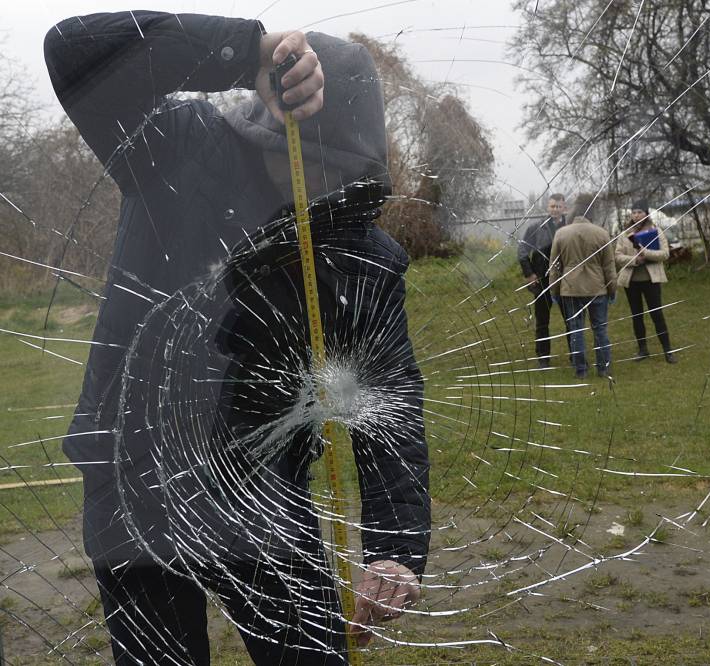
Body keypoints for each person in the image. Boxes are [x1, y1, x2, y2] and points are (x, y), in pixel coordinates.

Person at [45, 11, 429, 665]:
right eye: (302, 167)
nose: (312, 197)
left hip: (265, 489)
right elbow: (73, 51)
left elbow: (388, 400)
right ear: (268, 130)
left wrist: (395, 546)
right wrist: (246, 51)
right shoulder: (172, 147)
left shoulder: (363, 253)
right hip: (136, 483)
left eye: (338, 179)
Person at [548, 196, 617, 379]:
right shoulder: (601, 233)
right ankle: (603, 368)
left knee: (576, 329)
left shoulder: (561, 233)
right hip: (597, 288)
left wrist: (554, 291)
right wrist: (612, 289)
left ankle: (581, 370)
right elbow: (609, 266)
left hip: (570, 289)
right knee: (600, 329)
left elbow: (554, 267)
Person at [615, 199, 678, 363]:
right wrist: (634, 260)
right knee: (637, 315)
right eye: (634, 212)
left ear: (646, 213)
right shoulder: (624, 234)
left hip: (651, 280)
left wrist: (646, 253)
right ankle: (642, 349)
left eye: (639, 212)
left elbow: (665, 254)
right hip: (632, 281)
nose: (636, 215)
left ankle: (668, 350)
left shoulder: (656, 231)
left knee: (657, 314)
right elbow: (618, 256)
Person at [517, 193, 569, 368]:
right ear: (548, 207)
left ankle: (575, 355)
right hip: (541, 280)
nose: (555, 209)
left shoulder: (570, 228)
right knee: (542, 320)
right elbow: (522, 251)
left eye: (558, 206)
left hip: (566, 280)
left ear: (564, 208)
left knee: (571, 318)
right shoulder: (535, 228)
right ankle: (543, 357)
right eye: (552, 206)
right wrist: (529, 274)